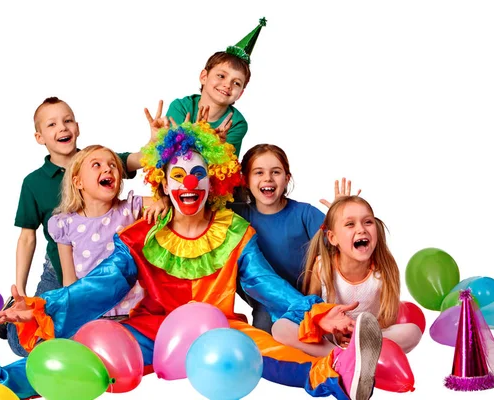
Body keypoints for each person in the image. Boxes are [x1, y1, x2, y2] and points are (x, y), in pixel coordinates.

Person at [0, 122, 383, 400]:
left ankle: (338, 373)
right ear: (162, 181)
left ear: (213, 181)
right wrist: (44, 306)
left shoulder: (234, 232)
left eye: (199, 174)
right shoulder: (140, 237)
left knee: (264, 348)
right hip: (150, 329)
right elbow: (97, 286)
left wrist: (317, 313)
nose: (189, 184)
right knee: (84, 356)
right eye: (178, 175)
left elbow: (267, 285)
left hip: (218, 328)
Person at [0, 97, 146, 356]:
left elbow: (140, 159)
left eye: (68, 121)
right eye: (52, 124)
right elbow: (27, 238)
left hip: (105, 270)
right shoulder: (34, 183)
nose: (62, 128)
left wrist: (156, 142)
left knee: (103, 337)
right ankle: (14, 318)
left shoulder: (99, 162)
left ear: (77, 127)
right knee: (30, 343)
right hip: (60, 270)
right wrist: (20, 288)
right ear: (39, 136)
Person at [272, 196, 422, 357]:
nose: (361, 229)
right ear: (332, 238)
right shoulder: (322, 267)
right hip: (330, 339)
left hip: (367, 337)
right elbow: (311, 311)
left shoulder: (383, 271)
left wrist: (359, 333)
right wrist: (332, 332)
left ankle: (355, 354)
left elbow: (387, 319)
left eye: (368, 222)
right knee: (280, 327)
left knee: (412, 331)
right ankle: (337, 356)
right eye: (350, 224)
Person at [231, 144, 358, 334]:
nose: (268, 178)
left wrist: (342, 215)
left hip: (310, 298)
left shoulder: (304, 213)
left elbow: (339, 246)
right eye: (259, 172)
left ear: (287, 178)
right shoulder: (237, 215)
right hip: (267, 304)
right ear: (246, 180)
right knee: (266, 345)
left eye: (276, 172)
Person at [48, 144, 169, 318]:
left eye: (113, 165)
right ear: (78, 182)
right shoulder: (65, 224)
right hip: (92, 315)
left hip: (134, 312)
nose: (108, 169)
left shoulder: (130, 208)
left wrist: (162, 202)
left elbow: (172, 200)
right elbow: (69, 282)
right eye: (96, 165)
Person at [166, 18, 267, 157]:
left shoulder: (237, 123)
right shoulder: (180, 107)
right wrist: (198, 136)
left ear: (241, 93)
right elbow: (169, 154)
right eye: (221, 76)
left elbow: (225, 167)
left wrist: (218, 146)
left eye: (236, 83)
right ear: (204, 77)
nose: (227, 85)